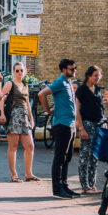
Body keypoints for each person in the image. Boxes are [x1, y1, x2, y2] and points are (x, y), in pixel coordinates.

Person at [37, 58, 79, 199]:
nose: (74, 71)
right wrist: (48, 110)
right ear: (63, 70)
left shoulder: (69, 82)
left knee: (67, 158)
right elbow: (41, 94)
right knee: (60, 157)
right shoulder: (60, 82)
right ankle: (57, 188)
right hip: (62, 124)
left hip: (70, 124)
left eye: (75, 68)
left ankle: (64, 186)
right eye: (71, 69)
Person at [0, 61, 40, 182]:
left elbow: (27, 103)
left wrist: (31, 119)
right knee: (13, 146)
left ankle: (28, 174)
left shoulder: (25, 85)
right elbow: (1, 99)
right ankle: (14, 175)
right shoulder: (9, 84)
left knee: (30, 146)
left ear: (25, 71)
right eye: (17, 70)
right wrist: (2, 114)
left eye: (21, 70)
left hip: (24, 116)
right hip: (13, 115)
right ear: (13, 72)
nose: (19, 72)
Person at [76, 65, 104, 194]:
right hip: (87, 123)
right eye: (95, 76)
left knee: (94, 156)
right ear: (89, 76)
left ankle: (92, 184)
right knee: (85, 155)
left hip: (98, 124)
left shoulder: (97, 89)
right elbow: (77, 110)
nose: (98, 78)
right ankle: (84, 186)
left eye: (99, 76)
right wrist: (81, 128)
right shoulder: (82, 90)